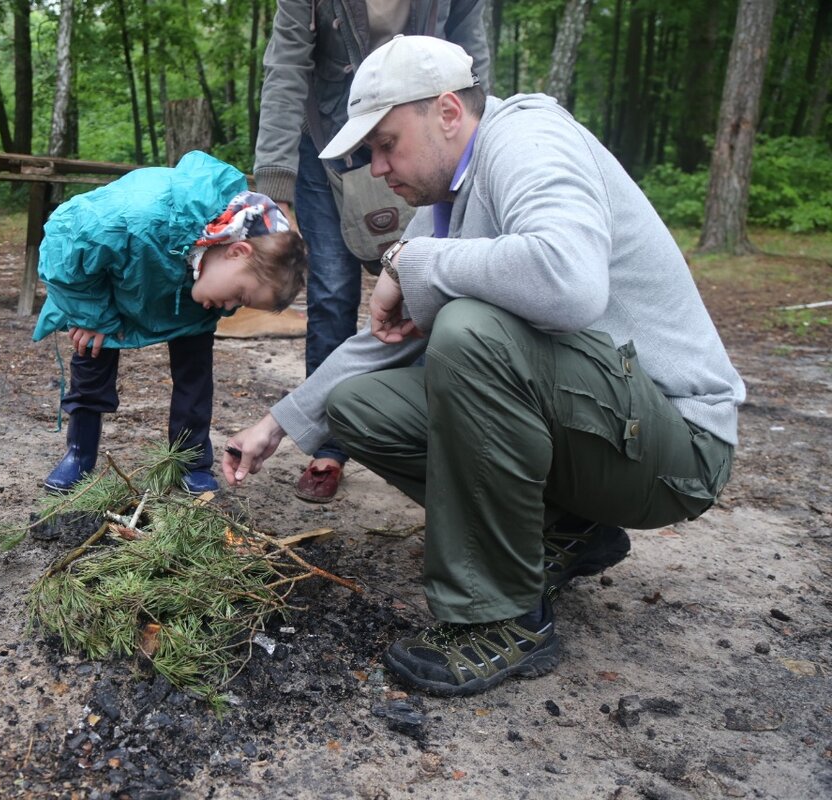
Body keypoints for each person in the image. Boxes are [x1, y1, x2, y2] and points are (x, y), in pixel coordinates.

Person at [223, 36, 745, 696]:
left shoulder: (526, 138)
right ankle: (568, 530)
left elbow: (571, 281)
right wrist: (278, 424)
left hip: (677, 447)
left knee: (469, 333)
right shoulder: (446, 201)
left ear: (447, 112)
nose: (378, 167)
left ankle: (504, 619)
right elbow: (387, 341)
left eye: (386, 142)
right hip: (607, 430)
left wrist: (411, 262)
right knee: (358, 404)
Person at [253, 0, 491, 503]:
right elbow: (286, 67)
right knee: (333, 291)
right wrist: (277, 189)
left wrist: (480, 141)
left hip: (424, 138)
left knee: (432, 288)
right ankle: (328, 444)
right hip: (329, 143)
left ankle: (438, 437)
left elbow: (474, 58)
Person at [33, 150, 307, 495]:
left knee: (195, 375)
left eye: (241, 304)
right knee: (91, 355)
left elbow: (225, 295)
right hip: (111, 284)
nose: (231, 307)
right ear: (237, 252)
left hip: (185, 291)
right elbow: (64, 240)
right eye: (239, 295)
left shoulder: (220, 267)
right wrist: (90, 315)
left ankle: (190, 460)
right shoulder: (138, 214)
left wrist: (221, 299)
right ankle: (79, 452)